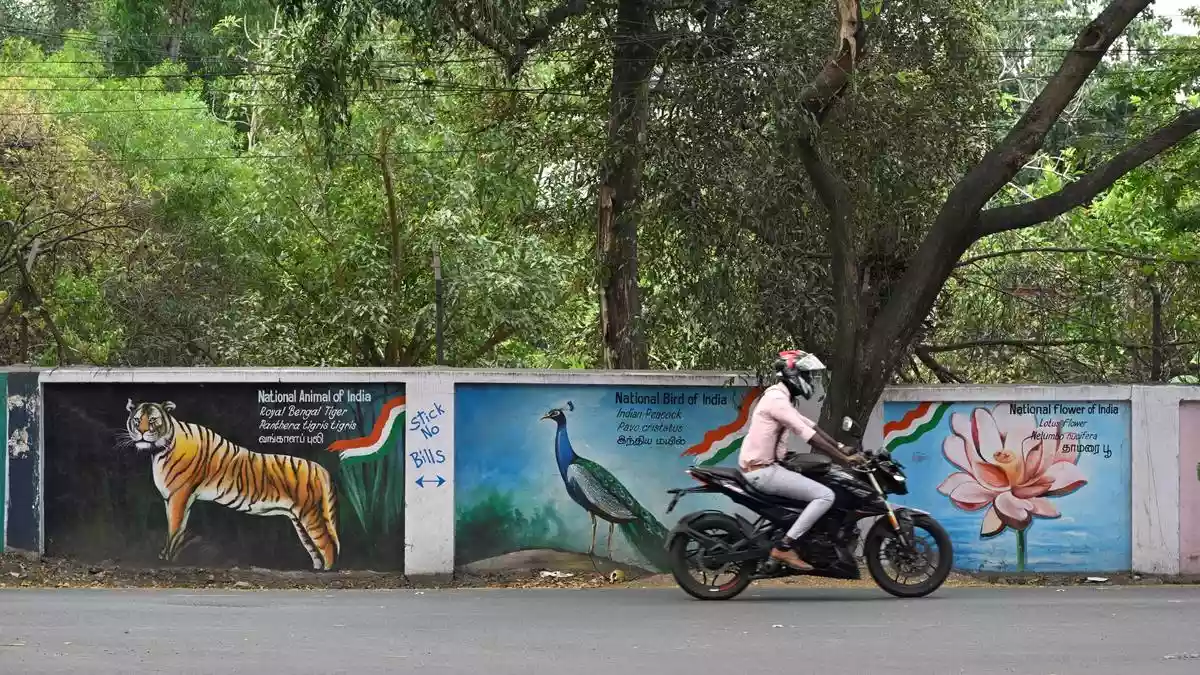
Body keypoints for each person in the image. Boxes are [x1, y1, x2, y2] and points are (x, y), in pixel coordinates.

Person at [737, 350, 863, 571]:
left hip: (768, 466)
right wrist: (844, 458)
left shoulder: (783, 398)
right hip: (762, 471)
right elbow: (806, 432)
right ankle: (784, 546)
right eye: (806, 375)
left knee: (822, 477)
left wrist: (841, 446)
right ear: (792, 373)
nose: (809, 381)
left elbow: (812, 426)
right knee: (825, 495)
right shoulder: (776, 399)